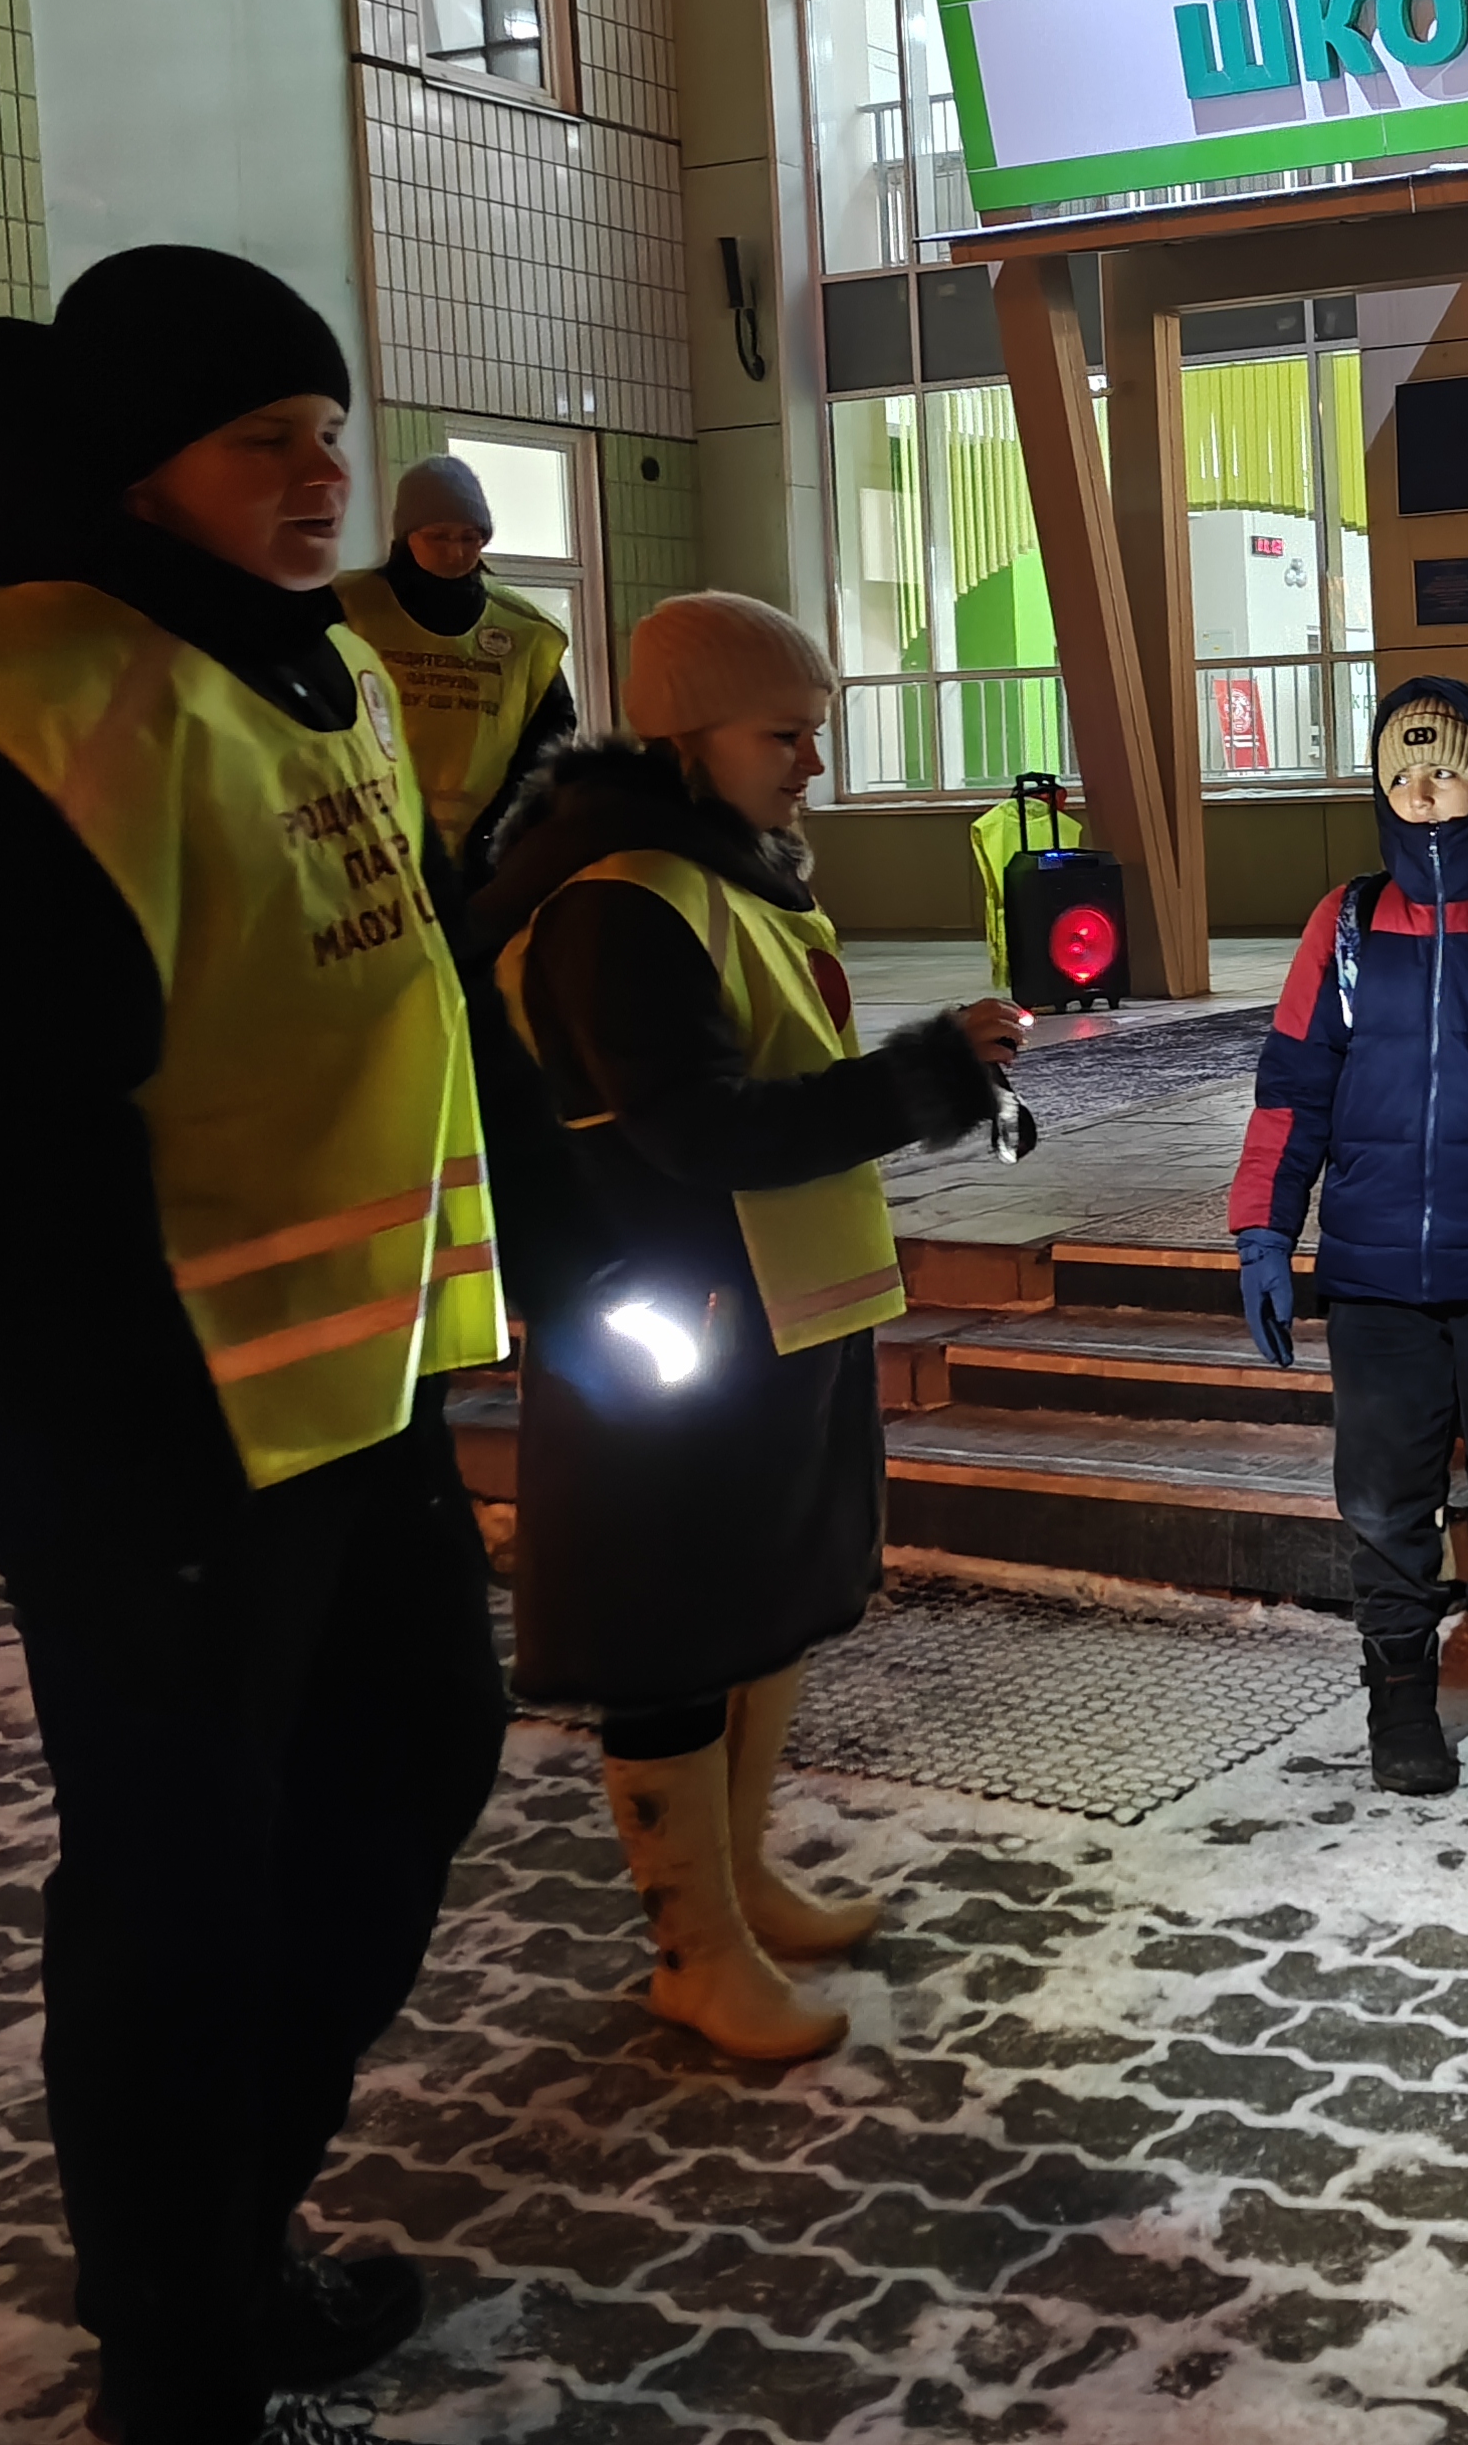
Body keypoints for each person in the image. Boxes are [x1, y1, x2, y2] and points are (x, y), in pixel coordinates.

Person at [0, 248, 512, 2445]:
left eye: (325, 433)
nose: (313, 476)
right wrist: (117, 1463)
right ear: (135, 471)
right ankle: (177, 2352)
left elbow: (412, 1011)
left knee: (403, 1780)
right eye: (255, 443)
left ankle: (227, 2224)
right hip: (148, 1454)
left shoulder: (325, 675)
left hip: (354, 1401)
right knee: (181, 1888)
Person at [467, 591, 1026, 2062]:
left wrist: (930, 1076)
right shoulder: (620, 901)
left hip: (768, 1312)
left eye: (818, 733)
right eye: (786, 736)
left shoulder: (726, 877)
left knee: (764, 1606)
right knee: (673, 1631)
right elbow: (694, 1131)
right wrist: (920, 1079)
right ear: (683, 732)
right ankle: (691, 1945)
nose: (811, 765)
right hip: (675, 1331)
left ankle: (739, 1879)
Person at [1226, 677, 1468, 1794]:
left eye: (1446, 768)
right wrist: (1262, 1231)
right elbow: (1292, 1088)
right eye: (1402, 772)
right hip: (1378, 1277)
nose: (1425, 792)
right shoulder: (1345, 924)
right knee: (1388, 1504)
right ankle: (1398, 1701)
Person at [334, 454, 576, 896]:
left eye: (471, 538)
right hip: (360, 844)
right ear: (406, 536)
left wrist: (510, 823)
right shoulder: (345, 609)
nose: (456, 551)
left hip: (482, 857)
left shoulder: (525, 632)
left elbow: (549, 737)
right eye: (439, 536)